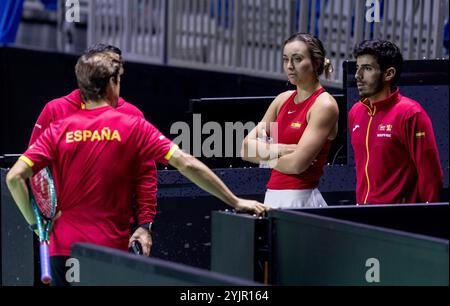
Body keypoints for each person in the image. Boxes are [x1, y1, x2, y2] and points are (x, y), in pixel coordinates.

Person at [6, 48, 269, 286]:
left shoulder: (59, 129)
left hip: (63, 248)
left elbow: (15, 177)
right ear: (111, 83)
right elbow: (187, 163)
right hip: (108, 252)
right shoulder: (131, 126)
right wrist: (234, 200)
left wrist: (35, 223)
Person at [28, 44, 158, 256]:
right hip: (63, 235)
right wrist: (42, 218)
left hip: (115, 236)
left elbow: (146, 176)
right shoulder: (55, 110)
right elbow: (35, 172)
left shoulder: (133, 116)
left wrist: (145, 225)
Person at [241, 33, 339, 209]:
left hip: (301, 200)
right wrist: (282, 149)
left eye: (297, 59)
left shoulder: (324, 104)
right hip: (272, 197)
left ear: (316, 63)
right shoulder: (282, 99)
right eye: (286, 59)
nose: (289, 66)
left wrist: (263, 155)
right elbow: (245, 149)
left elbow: (297, 165)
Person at [349, 40, 443, 205]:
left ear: (388, 74)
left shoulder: (411, 114)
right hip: (362, 216)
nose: (358, 75)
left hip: (397, 219)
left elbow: (431, 176)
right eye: (357, 68)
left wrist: (429, 220)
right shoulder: (355, 112)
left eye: (367, 68)